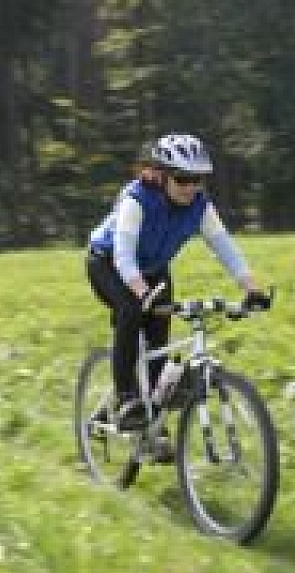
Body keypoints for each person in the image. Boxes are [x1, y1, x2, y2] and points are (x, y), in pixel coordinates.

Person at [86, 133, 270, 436]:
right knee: (131, 311)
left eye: (198, 180)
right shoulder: (137, 200)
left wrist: (251, 288)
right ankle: (126, 398)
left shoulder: (200, 205)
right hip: (108, 263)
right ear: (162, 175)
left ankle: (152, 422)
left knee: (159, 341)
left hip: (154, 270)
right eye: (182, 179)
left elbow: (224, 246)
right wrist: (142, 292)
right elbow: (123, 254)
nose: (191, 187)